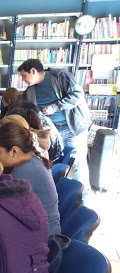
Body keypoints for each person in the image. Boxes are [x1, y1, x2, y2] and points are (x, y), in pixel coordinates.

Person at [17, 59, 91, 190]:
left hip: (72, 128)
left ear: (33, 71)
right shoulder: (29, 91)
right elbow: (21, 108)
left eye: (24, 75)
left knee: (78, 164)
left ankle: (81, 199)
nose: (23, 79)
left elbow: (78, 95)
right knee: (55, 164)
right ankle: (56, 193)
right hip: (52, 132)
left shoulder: (60, 76)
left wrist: (55, 106)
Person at [0, 120, 61, 235]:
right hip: (43, 230)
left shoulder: (23, 173)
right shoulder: (32, 160)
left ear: (14, 151)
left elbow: (0, 210)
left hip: (43, 239)